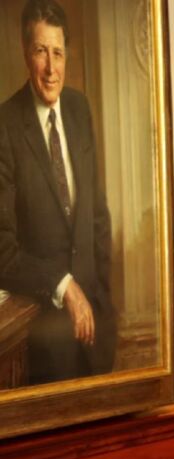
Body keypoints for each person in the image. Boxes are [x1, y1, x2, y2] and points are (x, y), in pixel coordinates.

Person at [0, 0, 115, 385]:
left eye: (58, 52)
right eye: (40, 51)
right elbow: (3, 249)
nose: (51, 68)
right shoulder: (5, 125)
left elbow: (97, 213)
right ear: (24, 51)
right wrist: (65, 287)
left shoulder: (80, 110)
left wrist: (103, 302)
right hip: (43, 341)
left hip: (97, 329)